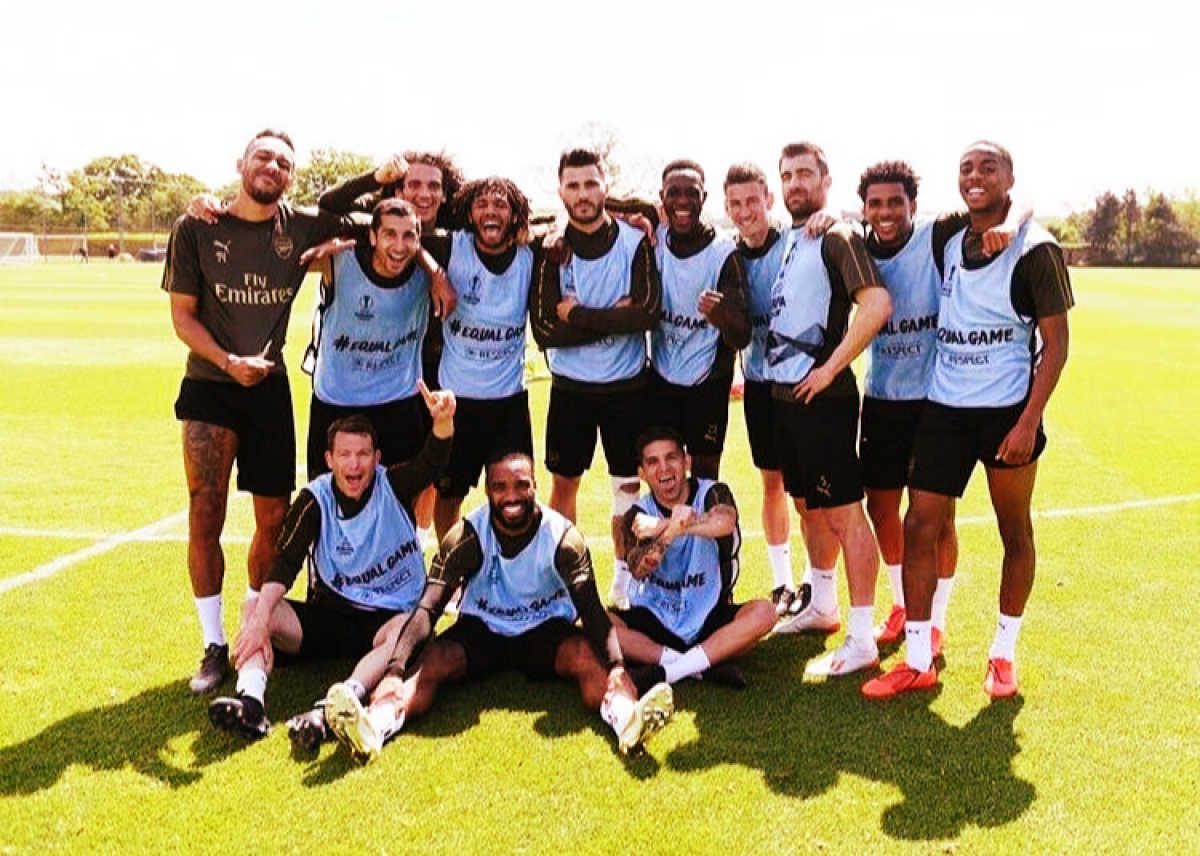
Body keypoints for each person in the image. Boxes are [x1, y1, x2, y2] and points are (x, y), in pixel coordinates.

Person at [863, 141, 1072, 700]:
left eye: (988, 168)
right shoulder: (946, 236)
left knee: (1014, 530)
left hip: (1007, 414)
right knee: (919, 525)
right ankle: (917, 657)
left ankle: (1003, 653)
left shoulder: (1037, 250)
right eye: (966, 169)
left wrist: (1030, 419)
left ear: (1008, 176)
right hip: (945, 409)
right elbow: (882, 225)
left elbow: (1056, 344)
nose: (975, 177)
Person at [319, 450, 675, 762]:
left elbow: (592, 612)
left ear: (536, 485)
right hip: (484, 630)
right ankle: (376, 725)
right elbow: (428, 607)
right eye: (500, 487)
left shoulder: (564, 539)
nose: (511, 496)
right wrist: (395, 670)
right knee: (434, 661)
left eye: (522, 485)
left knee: (585, 656)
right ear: (487, 489)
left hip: (544, 629)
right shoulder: (466, 537)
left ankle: (627, 720)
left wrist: (615, 666)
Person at [162, 129, 353, 694]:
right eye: (264, 156)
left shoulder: (300, 224)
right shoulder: (197, 225)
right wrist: (227, 361)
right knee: (206, 512)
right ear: (241, 162)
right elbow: (182, 318)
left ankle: (255, 632)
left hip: (268, 390)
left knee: (275, 520)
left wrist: (325, 253)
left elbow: (375, 220)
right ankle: (213, 646)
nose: (273, 167)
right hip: (210, 387)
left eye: (284, 163)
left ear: (291, 177)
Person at [208, 390, 453, 740]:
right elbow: (285, 562)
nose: (354, 464)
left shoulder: (394, 484)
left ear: (376, 458)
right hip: (333, 616)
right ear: (329, 459)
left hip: (389, 619)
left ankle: (337, 704)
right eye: (345, 455)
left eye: (363, 455)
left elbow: (432, 462)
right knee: (256, 608)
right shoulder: (316, 499)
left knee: (405, 630)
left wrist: (442, 421)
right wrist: (261, 621)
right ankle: (251, 703)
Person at [856, 161, 1028, 652]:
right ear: (864, 209)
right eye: (875, 203)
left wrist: (1012, 223)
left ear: (912, 204)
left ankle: (935, 621)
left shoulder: (937, 235)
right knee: (881, 507)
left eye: (895, 202)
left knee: (936, 520)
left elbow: (1017, 199)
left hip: (935, 401)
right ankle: (901, 604)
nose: (885, 212)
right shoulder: (856, 247)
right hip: (883, 397)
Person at [767, 142, 892, 680]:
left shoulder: (837, 234)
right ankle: (822, 607)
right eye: (788, 175)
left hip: (823, 401)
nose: (796, 183)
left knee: (843, 514)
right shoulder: (797, 236)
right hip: (786, 402)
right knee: (809, 509)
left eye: (805, 174)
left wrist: (831, 368)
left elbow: (877, 304)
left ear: (825, 179)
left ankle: (862, 639)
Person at [529, 147, 661, 610]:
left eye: (590, 184)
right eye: (573, 185)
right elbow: (545, 330)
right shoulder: (549, 247)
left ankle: (624, 584)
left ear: (606, 186)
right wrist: (611, 316)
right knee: (563, 487)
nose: (583, 194)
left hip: (626, 389)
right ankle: (567, 581)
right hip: (571, 392)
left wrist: (579, 316)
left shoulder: (633, 241)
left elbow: (645, 314)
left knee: (627, 488)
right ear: (560, 189)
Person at [723, 162, 830, 616]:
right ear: (726, 209)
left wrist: (832, 217)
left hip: (800, 385)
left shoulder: (797, 241)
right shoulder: (726, 255)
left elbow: (830, 228)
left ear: (768, 199)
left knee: (806, 495)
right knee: (771, 484)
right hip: (760, 386)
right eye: (735, 204)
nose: (745, 211)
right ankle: (783, 583)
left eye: (752, 200)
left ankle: (815, 583)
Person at [610, 427, 776, 689]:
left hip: (708, 613)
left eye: (671, 457)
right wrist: (671, 530)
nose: (664, 468)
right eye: (653, 462)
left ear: (686, 462)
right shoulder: (637, 514)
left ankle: (668, 672)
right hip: (655, 617)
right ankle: (700, 667)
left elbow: (724, 522)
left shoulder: (712, 492)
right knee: (599, 625)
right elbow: (639, 569)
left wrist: (668, 525)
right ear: (641, 473)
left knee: (765, 613)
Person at [431, 176, 536, 539]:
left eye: (501, 204)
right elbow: (405, 234)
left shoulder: (530, 255)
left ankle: (511, 573)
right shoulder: (450, 247)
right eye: (482, 205)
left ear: (515, 214)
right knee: (448, 494)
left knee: (516, 493)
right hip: (457, 402)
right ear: (469, 213)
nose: (491, 211)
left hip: (508, 402)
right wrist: (435, 273)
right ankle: (451, 574)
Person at [303, 199, 435, 480]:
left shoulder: (429, 270)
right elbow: (289, 235)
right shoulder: (338, 260)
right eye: (389, 234)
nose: (399, 246)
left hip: (398, 403)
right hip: (336, 401)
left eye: (408, 235)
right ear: (372, 235)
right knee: (328, 500)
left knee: (400, 502)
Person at [647, 160, 749, 480]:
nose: (681, 202)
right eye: (672, 194)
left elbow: (742, 335)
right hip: (661, 380)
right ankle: (670, 532)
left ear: (703, 198)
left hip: (708, 384)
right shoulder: (654, 238)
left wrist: (721, 317)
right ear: (661, 198)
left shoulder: (723, 253)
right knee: (664, 473)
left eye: (690, 193)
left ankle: (707, 530)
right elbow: (607, 206)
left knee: (705, 477)